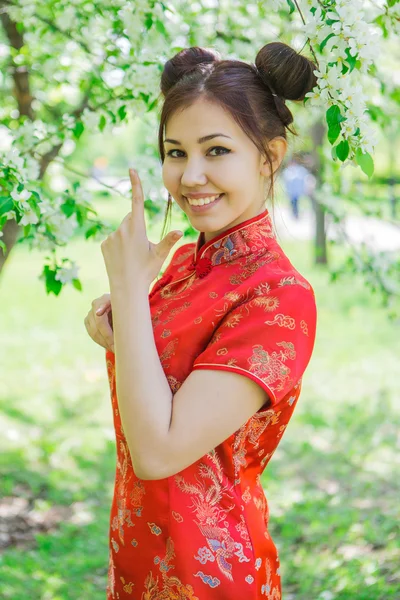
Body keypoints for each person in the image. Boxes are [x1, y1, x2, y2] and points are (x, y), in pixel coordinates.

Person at [84, 42, 318, 600]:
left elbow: (160, 450)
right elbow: (153, 373)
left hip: (208, 573)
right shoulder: (186, 265)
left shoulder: (280, 298)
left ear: (270, 156)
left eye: (216, 151)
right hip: (138, 555)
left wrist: (127, 291)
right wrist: (118, 321)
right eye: (175, 152)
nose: (190, 176)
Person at [281, 154, 315, 220]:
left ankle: (296, 214)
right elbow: (286, 180)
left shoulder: (300, 170)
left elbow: (304, 178)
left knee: (296, 203)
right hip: (291, 192)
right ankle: (294, 214)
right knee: (293, 203)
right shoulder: (288, 171)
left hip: (296, 192)